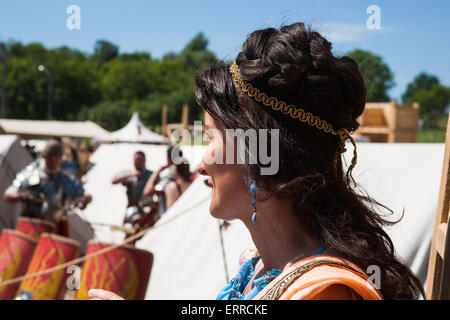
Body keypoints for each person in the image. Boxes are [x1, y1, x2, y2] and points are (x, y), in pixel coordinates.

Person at [88, 22, 424, 300]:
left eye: (209, 137)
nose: (201, 164)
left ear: (258, 151)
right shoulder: (259, 268)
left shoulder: (321, 292)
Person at [4, 139, 92, 236]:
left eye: (56, 159)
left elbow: (85, 195)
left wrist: (84, 200)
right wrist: (21, 195)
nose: (53, 162)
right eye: (50, 158)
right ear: (44, 157)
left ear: (60, 159)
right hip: (31, 224)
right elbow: (8, 194)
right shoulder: (31, 173)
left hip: (55, 226)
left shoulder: (63, 177)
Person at [111, 151, 153, 226]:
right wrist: (131, 175)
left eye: (140, 159)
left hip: (147, 209)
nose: (138, 162)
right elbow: (113, 180)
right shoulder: (129, 173)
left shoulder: (151, 175)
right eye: (136, 159)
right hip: (132, 209)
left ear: (144, 160)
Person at [142, 145, 182, 215]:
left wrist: (158, 171)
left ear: (168, 159)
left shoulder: (168, 173)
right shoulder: (186, 175)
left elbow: (147, 191)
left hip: (169, 215)